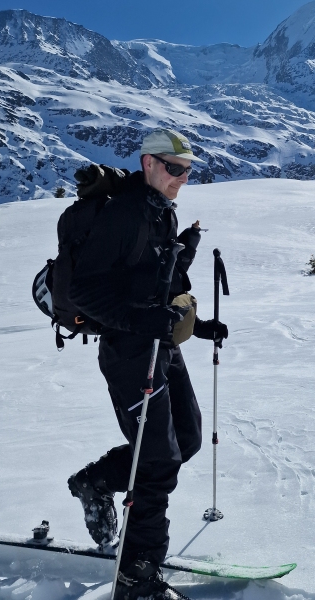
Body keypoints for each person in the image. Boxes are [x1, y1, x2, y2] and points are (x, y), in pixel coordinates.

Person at [67, 128, 228, 600]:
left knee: (188, 439)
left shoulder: (162, 210)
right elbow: (84, 292)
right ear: (149, 163)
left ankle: (96, 481)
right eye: (175, 168)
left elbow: (159, 285)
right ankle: (136, 577)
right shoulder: (124, 214)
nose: (182, 178)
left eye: (188, 171)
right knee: (158, 461)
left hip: (161, 347)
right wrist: (143, 320)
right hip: (128, 353)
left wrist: (197, 326)